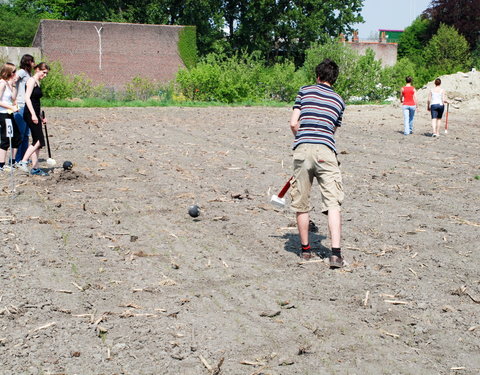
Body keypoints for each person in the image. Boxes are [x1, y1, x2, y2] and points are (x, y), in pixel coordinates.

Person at [289, 58, 346, 268]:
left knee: (301, 202)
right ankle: (336, 255)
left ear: (317, 76)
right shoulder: (339, 101)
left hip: (303, 150)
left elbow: (294, 123)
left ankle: (305, 252)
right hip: (326, 152)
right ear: (334, 79)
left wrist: (301, 141)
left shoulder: (304, 91)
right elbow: (331, 132)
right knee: (333, 203)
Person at [17, 62, 50, 176]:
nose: (45, 75)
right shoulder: (31, 80)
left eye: (46, 73)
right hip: (30, 113)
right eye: (44, 72)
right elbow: (27, 98)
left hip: (35, 113)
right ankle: (23, 161)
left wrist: (41, 116)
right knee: (39, 140)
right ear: (37, 69)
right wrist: (33, 115)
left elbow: (36, 101)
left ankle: (35, 168)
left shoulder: (37, 82)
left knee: (37, 142)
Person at [0, 63, 21, 172]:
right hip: (3, 114)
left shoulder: (8, 84)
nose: (14, 74)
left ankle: (12, 162)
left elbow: (13, 98)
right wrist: (11, 107)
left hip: (9, 113)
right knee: (5, 139)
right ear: (7, 72)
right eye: (13, 72)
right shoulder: (2, 83)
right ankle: (1, 165)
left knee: (16, 137)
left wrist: (14, 85)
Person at [14, 54, 35, 162]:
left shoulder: (28, 73)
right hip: (21, 105)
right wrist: (14, 99)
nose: (33, 63)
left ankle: (24, 157)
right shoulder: (22, 72)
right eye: (32, 61)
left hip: (27, 106)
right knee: (21, 134)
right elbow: (14, 80)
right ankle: (17, 159)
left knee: (26, 134)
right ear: (27, 62)